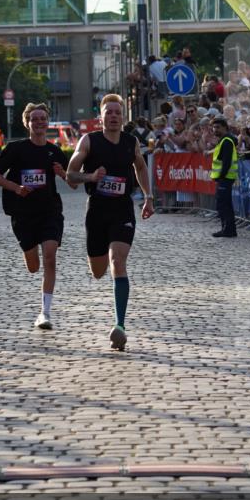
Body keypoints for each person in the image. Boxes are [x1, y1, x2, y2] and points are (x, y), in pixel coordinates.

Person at [67, 94, 154, 352]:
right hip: (96, 210)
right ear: (101, 117)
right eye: (109, 112)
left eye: (118, 112)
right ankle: (99, 268)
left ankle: (120, 326)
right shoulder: (89, 141)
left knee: (118, 261)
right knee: (98, 270)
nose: (114, 116)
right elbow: (70, 174)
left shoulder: (131, 142)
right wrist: (92, 176)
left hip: (122, 209)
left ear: (122, 117)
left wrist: (148, 197)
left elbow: (140, 167)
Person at [0, 103, 75, 330]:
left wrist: (63, 174)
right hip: (23, 213)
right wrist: (16, 188)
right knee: (34, 266)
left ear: (47, 122)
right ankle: (29, 254)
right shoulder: (16, 149)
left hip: (50, 211)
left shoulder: (54, 150)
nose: (39, 122)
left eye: (43, 118)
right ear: (27, 122)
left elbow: (73, 182)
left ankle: (45, 313)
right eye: (35, 118)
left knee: (50, 256)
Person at [209, 117, 238, 238]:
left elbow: (226, 162)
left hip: (225, 177)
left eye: (218, 127)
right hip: (225, 177)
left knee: (223, 205)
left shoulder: (226, 141)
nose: (215, 130)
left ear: (225, 128)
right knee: (225, 204)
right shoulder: (224, 140)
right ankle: (227, 229)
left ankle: (228, 230)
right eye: (214, 127)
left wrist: (221, 176)